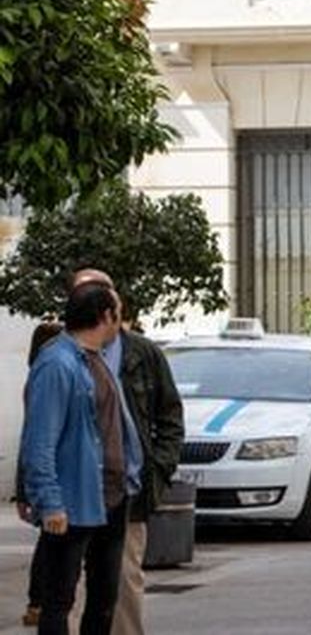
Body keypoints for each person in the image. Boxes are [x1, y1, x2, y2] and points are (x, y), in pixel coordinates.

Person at [22, 283, 144, 635]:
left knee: (104, 599)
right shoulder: (57, 363)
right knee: (59, 599)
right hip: (74, 500)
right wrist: (50, 501)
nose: (120, 322)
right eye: (117, 313)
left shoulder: (97, 359)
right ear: (105, 316)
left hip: (112, 497)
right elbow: (39, 440)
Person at [66, 269, 184, 635]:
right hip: (75, 489)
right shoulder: (62, 353)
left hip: (127, 489)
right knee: (71, 583)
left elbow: (170, 416)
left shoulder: (142, 352)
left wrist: (159, 471)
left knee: (124, 579)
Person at [17, 321, 63, 628]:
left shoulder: (38, 375)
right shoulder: (47, 376)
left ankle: (36, 601)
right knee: (50, 543)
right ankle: (38, 601)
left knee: (47, 544)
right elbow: (34, 439)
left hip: (42, 476)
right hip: (51, 477)